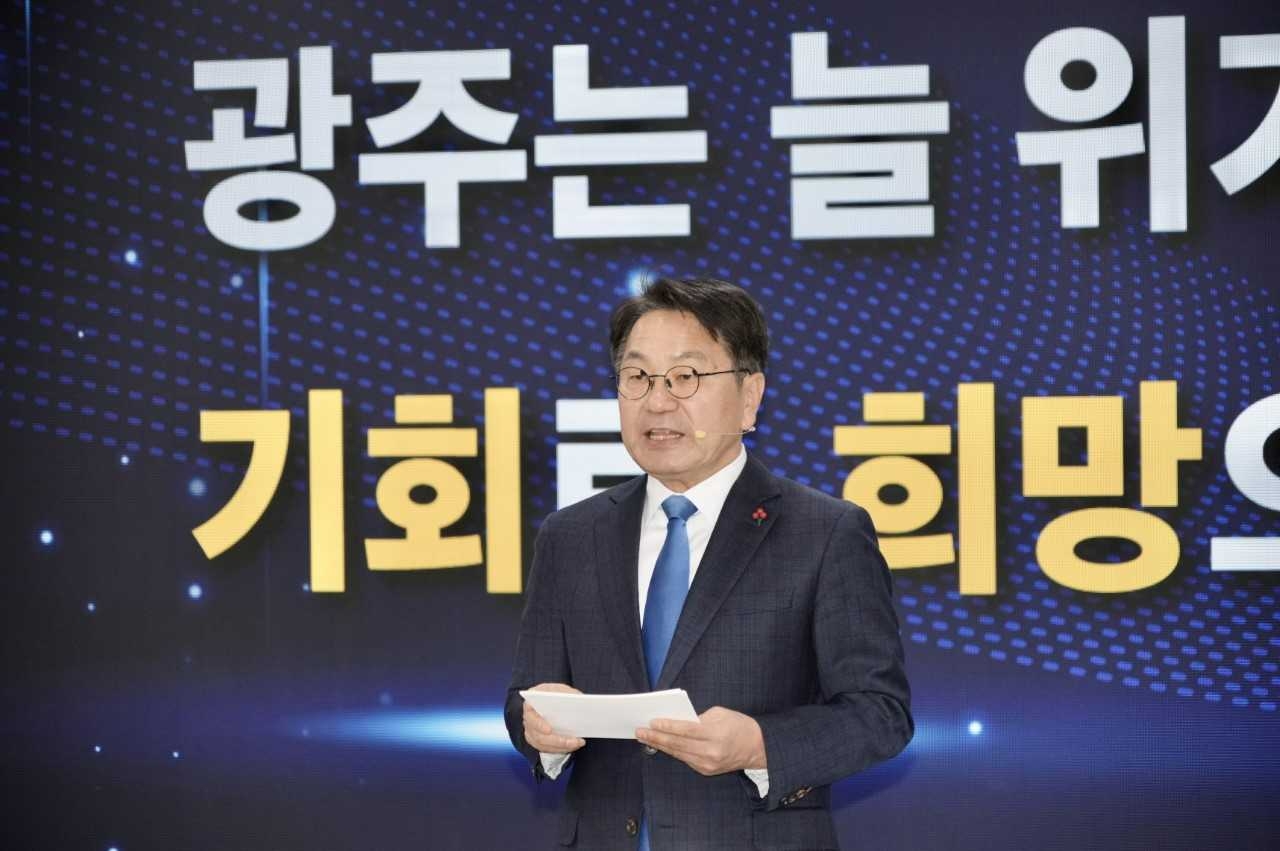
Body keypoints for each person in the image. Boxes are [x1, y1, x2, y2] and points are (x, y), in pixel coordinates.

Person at [505, 275, 912, 850]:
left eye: (686, 376)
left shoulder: (825, 532)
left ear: (750, 397)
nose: (658, 400)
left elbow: (880, 713)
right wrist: (539, 730)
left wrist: (759, 744)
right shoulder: (570, 535)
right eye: (637, 377)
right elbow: (524, 698)